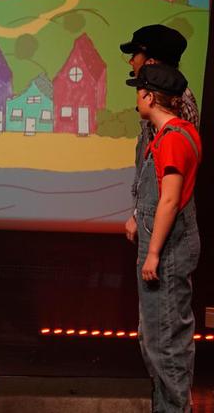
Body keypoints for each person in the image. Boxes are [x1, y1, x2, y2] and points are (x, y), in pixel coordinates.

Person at [126, 63, 201, 412]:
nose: (136, 98)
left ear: (149, 97)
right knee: (156, 338)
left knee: (166, 342)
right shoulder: (173, 133)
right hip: (164, 244)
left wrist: (153, 253)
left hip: (167, 250)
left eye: (139, 91)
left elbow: (169, 200)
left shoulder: (172, 139)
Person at [120, 24, 199, 243]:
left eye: (135, 55)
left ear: (151, 62)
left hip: (167, 231)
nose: (131, 61)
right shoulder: (161, 104)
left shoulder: (175, 109)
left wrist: (138, 216)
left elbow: (168, 188)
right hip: (153, 223)